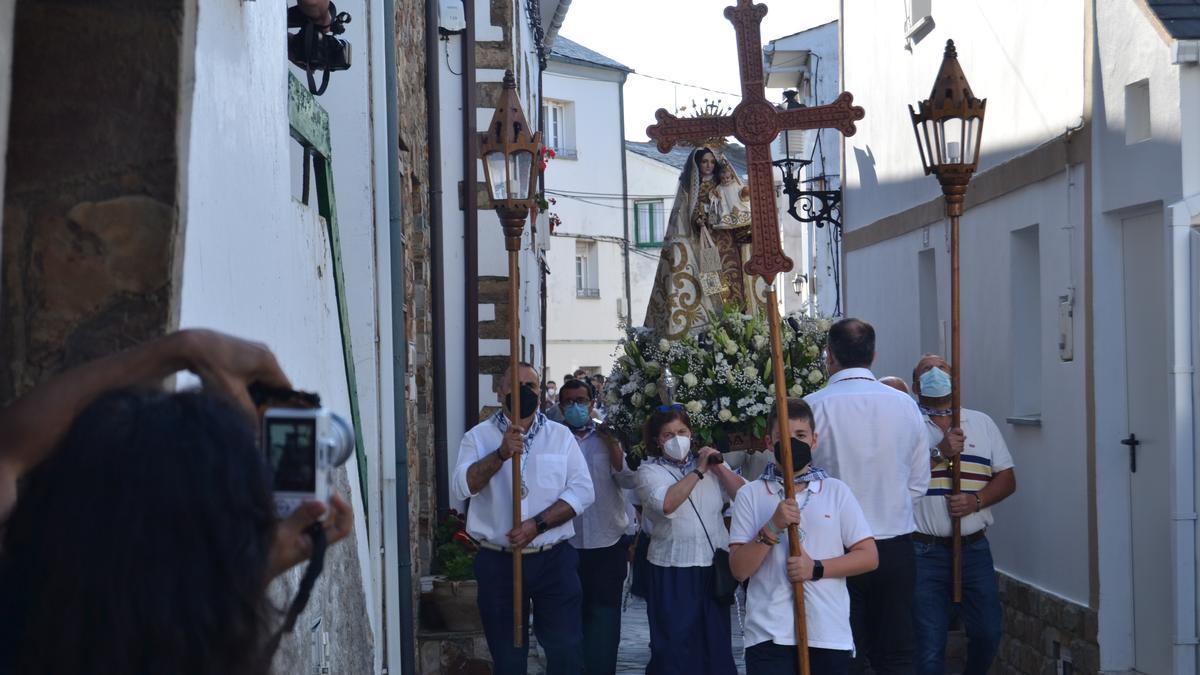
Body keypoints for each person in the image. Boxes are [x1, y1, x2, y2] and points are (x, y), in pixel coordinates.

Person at [0, 330, 353, 674]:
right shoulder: (184, 652)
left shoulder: (20, 616)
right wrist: (241, 579)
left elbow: (8, 451)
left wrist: (184, 349)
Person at [451, 363, 595, 675]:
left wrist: (537, 524)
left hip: (551, 559)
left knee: (565, 647)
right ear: (500, 391)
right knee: (508, 655)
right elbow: (463, 485)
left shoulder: (560, 437)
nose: (524, 392)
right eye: (515, 386)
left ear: (540, 393)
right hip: (499, 561)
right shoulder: (478, 438)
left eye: (531, 386)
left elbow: (583, 491)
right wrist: (501, 454)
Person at [803, 318, 928, 674]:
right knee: (898, 651)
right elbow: (919, 480)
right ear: (873, 355)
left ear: (830, 356)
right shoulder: (905, 406)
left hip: (836, 546)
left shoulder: (814, 407)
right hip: (894, 543)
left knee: (845, 649)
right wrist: (889, 510)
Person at [730, 399, 878, 675]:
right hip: (770, 634)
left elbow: (868, 557)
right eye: (782, 438)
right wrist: (772, 527)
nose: (791, 444)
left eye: (800, 436)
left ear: (813, 439)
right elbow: (739, 569)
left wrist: (816, 568)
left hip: (827, 632)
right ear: (768, 441)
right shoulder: (750, 495)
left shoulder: (836, 492)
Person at [910, 355, 1016, 675]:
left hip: (973, 549)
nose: (935, 373)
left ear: (955, 381)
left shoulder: (980, 423)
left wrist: (976, 501)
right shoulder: (907, 426)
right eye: (926, 370)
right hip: (922, 552)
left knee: (987, 631)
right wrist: (939, 453)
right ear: (915, 386)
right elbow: (896, 479)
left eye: (942, 368)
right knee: (928, 645)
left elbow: (1007, 478)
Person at [635, 406, 746, 675]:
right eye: (668, 434)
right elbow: (667, 503)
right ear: (657, 441)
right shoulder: (649, 472)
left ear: (691, 434)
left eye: (682, 431)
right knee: (674, 648)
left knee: (715, 646)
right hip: (672, 570)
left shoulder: (712, 467)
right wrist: (697, 471)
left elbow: (745, 498)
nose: (676, 438)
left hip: (712, 570)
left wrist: (719, 469)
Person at [644, 147, 764, 339]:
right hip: (704, 242)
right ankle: (713, 324)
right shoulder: (691, 188)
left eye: (711, 162)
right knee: (711, 285)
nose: (708, 166)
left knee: (733, 282)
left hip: (727, 242)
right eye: (704, 162)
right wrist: (699, 219)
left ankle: (737, 326)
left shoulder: (723, 184)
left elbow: (737, 204)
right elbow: (685, 215)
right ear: (697, 164)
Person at [560, 379, 636, 673]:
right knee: (567, 623)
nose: (575, 407)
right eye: (569, 402)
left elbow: (628, 480)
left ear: (592, 403)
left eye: (581, 400)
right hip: (566, 543)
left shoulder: (608, 436)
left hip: (607, 542)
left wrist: (613, 445)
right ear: (561, 405)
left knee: (604, 622)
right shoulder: (555, 438)